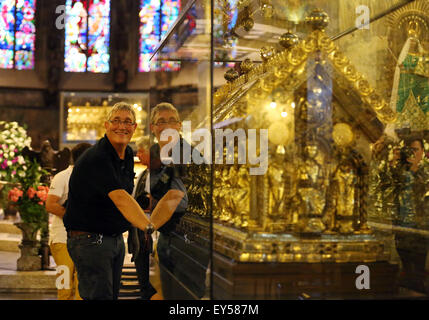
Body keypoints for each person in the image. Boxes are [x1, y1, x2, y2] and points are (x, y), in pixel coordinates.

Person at [63, 102, 156, 300]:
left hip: (112, 239)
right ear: (106, 125)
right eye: (116, 121)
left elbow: (125, 195)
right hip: (90, 241)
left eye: (127, 122)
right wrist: (148, 227)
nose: (121, 126)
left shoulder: (128, 154)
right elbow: (121, 199)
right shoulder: (98, 157)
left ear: (134, 127)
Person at [45, 142, 92, 300]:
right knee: (64, 286)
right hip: (62, 240)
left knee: (83, 287)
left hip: (85, 240)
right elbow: (50, 205)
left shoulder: (91, 178)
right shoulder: (62, 177)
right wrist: (75, 218)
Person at [127, 136, 160, 300]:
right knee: (142, 273)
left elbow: (156, 202)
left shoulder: (158, 174)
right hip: (139, 228)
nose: (138, 154)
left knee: (151, 278)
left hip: (151, 228)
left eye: (141, 151)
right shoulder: (143, 173)